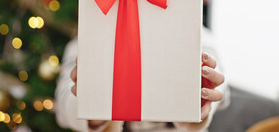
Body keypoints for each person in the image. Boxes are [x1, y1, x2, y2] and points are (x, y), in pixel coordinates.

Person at [55, 27, 229, 132]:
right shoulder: (89, 36)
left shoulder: (194, 31)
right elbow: (63, 105)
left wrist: (202, 101)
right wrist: (92, 113)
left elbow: (219, 78)